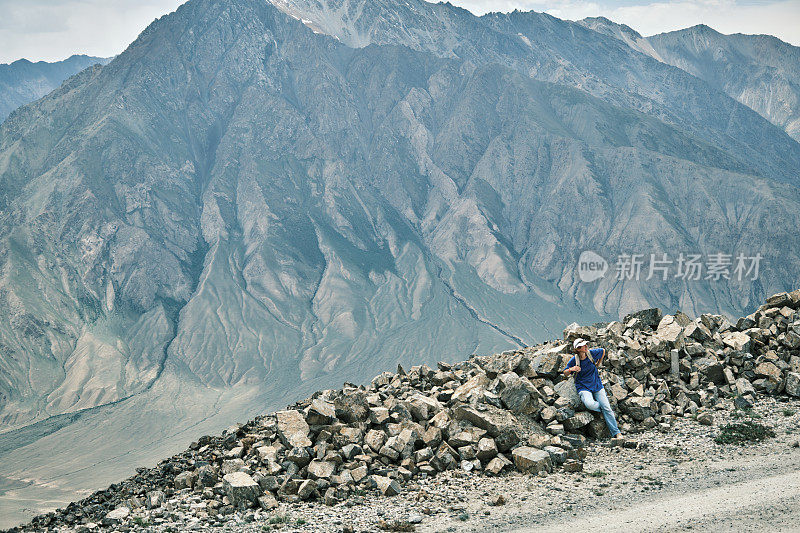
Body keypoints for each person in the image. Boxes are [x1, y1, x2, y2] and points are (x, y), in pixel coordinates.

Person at [562, 338, 622, 438]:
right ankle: (605, 410)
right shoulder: (574, 360)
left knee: (607, 407)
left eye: (586, 345)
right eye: (583, 346)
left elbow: (603, 351)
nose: (586, 346)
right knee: (591, 404)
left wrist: (598, 363)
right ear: (578, 349)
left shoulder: (591, 353)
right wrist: (572, 369)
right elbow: (565, 372)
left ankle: (616, 433)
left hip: (596, 384)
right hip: (583, 387)